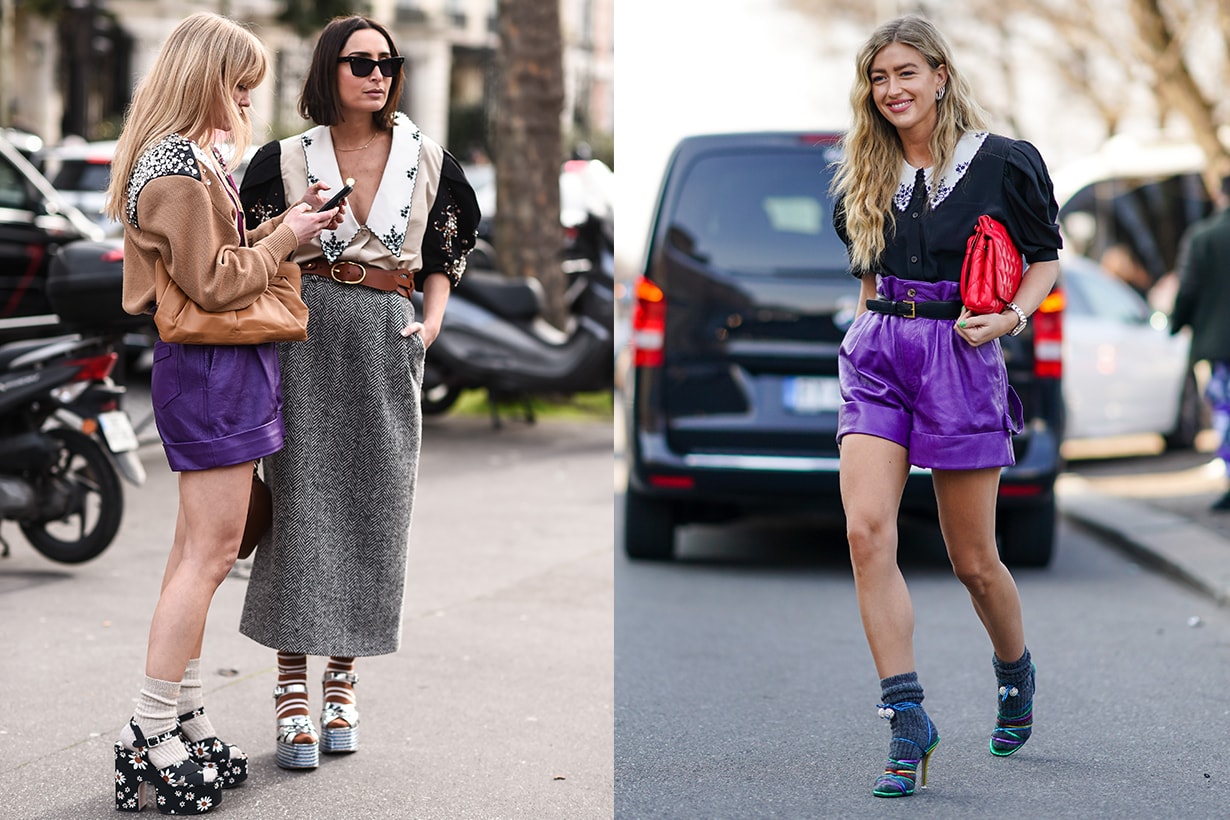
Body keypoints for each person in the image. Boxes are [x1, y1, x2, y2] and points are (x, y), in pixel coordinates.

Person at [104, 12, 338, 814]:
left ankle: (185, 710)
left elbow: (222, 268)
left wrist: (287, 229)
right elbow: (215, 283)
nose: (244, 101)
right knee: (207, 560)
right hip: (212, 373)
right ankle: (150, 725)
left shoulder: (181, 158)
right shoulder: (174, 167)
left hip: (216, 370)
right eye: (238, 85)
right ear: (204, 77)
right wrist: (285, 241)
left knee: (195, 558)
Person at [237, 15, 478, 770]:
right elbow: (247, 248)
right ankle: (291, 696)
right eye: (359, 61)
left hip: (385, 330)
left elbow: (448, 247)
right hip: (302, 331)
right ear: (327, 70)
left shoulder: (427, 156)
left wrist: (430, 323)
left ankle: (342, 683)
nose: (377, 73)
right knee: (300, 506)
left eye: (387, 61)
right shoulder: (282, 159)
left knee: (377, 505)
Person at [829, 15, 1061, 798]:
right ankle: (907, 717)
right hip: (881, 349)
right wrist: (868, 327)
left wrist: (1013, 318)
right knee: (866, 533)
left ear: (940, 76)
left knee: (973, 560)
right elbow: (865, 274)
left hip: (961, 355)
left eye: (905, 73)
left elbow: (1044, 258)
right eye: (878, 77)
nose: (891, 90)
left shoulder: (1001, 162)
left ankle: (1014, 672)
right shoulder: (863, 168)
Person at [1170, 178, 1230, 510]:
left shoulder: (1204, 237)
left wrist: (1175, 324)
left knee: (1226, 412)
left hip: (1219, 345)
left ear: (1221, 194)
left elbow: (1188, 288)